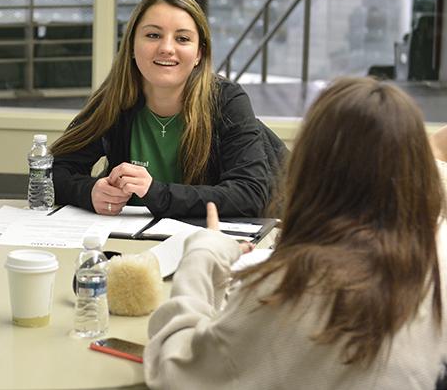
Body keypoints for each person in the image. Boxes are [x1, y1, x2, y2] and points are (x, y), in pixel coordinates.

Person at [144, 77, 447, 389]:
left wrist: (202, 255)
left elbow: (176, 372)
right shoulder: (438, 256)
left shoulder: (287, 288)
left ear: (310, 166)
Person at [51, 0, 282, 220]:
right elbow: (51, 172)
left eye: (182, 38)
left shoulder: (227, 100)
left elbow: (250, 195)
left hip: (210, 245)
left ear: (199, 54)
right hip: (130, 242)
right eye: (153, 35)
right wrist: (88, 192)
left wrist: (156, 193)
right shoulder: (114, 98)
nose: (166, 49)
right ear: (131, 45)